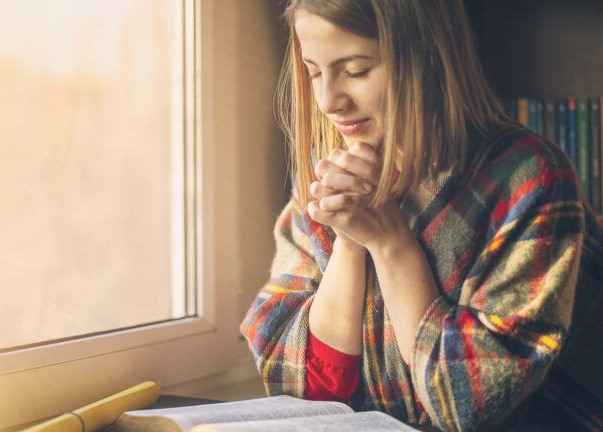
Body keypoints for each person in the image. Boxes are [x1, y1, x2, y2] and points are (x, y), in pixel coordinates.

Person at [239, 0, 603, 430]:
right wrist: (350, 241)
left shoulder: (529, 178)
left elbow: (468, 401)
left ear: (427, 57)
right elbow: (304, 392)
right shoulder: (328, 173)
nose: (327, 100)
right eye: (315, 71)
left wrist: (389, 242)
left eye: (355, 70)